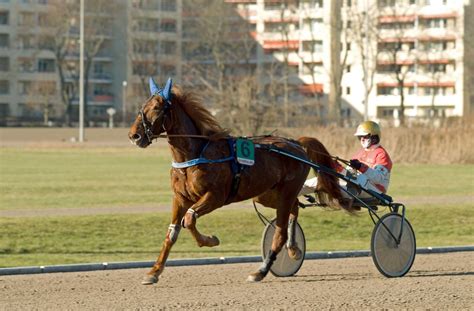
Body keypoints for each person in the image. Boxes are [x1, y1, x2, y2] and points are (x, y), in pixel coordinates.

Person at [299, 121, 392, 200]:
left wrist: (361, 167)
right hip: (356, 186)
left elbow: (378, 178)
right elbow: (349, 175)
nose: (362, 139)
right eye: (360, 137)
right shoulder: (359, 153)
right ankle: (291, 192)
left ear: (374, 137)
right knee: (321, 180)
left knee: (359, 179)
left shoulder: (382, 154)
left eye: (365, 136)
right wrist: (338, 168)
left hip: (375, 191)